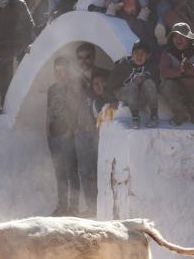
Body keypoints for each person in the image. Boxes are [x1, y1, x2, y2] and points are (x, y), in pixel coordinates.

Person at [46, 57, 78, 215]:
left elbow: (75, 109)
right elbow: (49, 110)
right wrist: (47, 129)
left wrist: (70, 130)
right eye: (57, 71)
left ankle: (74, 207)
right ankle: (62, 206)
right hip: (54, 135)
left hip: (67, 134)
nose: (61, 74)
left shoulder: (73, 87)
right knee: (59, 172)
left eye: (64, 70)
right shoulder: (52, 89)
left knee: (71, 171)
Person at [75, 71, 109, 215]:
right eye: (95, 84)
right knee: (84, 172)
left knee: (96, 173)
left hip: (97, 140)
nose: (99, 86)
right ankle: (91, 207)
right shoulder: (87, 99)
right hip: (83, 138)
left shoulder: (106, 100)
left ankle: (98, 207)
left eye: (102, 83)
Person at [108, 40, 159, 129]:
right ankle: (135, 118)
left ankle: (154, 115)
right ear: (132, 54)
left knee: (149, 83)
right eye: (136, 53)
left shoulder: (151, 66)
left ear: (148, 56)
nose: (139, 56)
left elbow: (157, 82)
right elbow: (109, 85)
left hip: (141, 97)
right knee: (131, 85)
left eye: (142, 53)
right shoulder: (123, 65)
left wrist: (144, 77)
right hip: (125, 96)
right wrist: (112, 100)